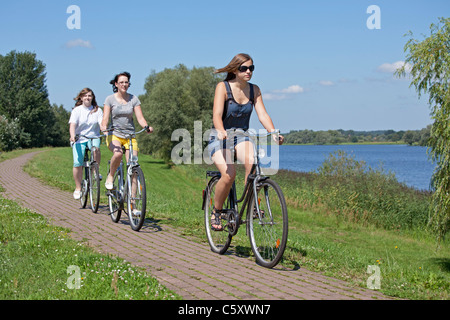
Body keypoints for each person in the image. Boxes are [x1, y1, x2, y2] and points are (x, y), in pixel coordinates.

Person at [208, 53, 284, 230]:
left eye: (251, 68)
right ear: (235, 69)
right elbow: (217, 115)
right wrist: (220, 130)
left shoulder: (254, 90)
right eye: (244, 68)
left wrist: (273, 132)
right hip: (220, 136)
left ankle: (251, 207)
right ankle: (216, 212)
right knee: (228, 175)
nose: (248, 71)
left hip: (241, 136)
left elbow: (263, 114)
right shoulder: (223, 87)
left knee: (253, 165)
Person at [100, 71, 153, 190]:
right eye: (121, 82)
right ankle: (111, 175)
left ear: (129, 84)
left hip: (130, 136)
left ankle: (132, 205)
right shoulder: (109, 99)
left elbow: (140, 118)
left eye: (126, 82)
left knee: (133, 167)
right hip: (115, 135)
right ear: (116, 84)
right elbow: (105, 118)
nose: (124, 84)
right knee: (118, 154)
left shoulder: (134, 99)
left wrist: (146, 127)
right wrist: (104, 127)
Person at [69, 88, 103, 200]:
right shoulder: (77, 111)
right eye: (85, 96)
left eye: (90, 95)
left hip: (94, 136)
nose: (87, 98)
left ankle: (95, 171)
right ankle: (78, 188)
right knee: (77, 162)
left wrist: (106, 132)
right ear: (81, 98)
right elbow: (72, 125)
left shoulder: (97, 110)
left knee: (95, 149)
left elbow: (101, 124)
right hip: (80, 138)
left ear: (93, 97)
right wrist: (73, 135)